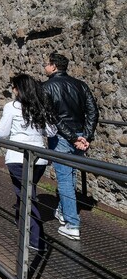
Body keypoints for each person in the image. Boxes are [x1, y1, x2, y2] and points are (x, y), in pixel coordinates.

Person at [0, 74, 57, 252]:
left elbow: (2, 133)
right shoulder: (39, 106)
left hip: (18, 158)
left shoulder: (12, 107)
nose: (12, 90)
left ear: (19, 89)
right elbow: (52, 131)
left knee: (27, 196)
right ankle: (21, 221)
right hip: (39, 158)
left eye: (13, 87)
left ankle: (36, 241)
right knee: (25, 192)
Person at [42, 51, 98, 241]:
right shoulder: (80, 85)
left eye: (46, 64)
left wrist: (73, 137)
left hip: (62, 138)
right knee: (71, 175)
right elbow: (93, 111)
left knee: (65, 179)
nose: (44, 67)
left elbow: (53, 117)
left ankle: (72, 224)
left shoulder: (46, 87)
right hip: (80, 136)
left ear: (54, 66)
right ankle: (63, 210)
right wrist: (86, 135)